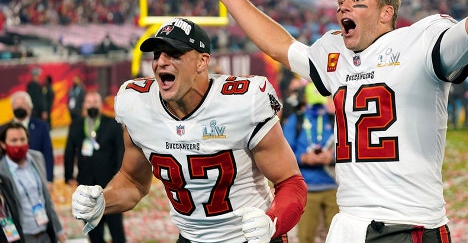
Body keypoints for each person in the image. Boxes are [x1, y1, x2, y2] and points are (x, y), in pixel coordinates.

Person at [191, 0, 468, 241]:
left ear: (386, 13)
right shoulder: (336, 55)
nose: (343, 7)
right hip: (349, 222)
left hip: (408, 223)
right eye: (341, 1)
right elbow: (280, 46)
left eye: (357, 2)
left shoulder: (422, 40)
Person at [71, 17, 307, 243]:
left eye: (174, 54)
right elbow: (133, 181)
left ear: (202, 61)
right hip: (190, 238)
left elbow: (291, 182)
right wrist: (104, 200)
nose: (161, 62)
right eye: (157, 55)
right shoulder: (137, 104)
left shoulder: (244, 102)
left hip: (252, 237)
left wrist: (271, 222)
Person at [64, 91, 126, 243]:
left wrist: (120, 175)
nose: (92, 105)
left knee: (116, 228)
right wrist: (68, 175)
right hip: (86, 185)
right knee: (94, 231)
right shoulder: (77, 125)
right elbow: (69, 150)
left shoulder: (112, 124)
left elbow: (121, 150)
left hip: (110, 184)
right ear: (84, 105)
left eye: (95, 101)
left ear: (100, 104)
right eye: (89, 102)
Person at [283, 83, 338, 243]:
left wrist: (332, 158)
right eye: (314, 104)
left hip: (333, 187)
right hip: (307, 189)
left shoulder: (333, 119)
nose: (318, 108)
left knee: (338, 237)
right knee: (306, 237)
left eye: (320, 104)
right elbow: (284, 153)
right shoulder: (296, 120)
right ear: (305, 99)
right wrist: (303, 158)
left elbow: (349, 148)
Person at [0, 122, 66, 242]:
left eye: (22, 139)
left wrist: (59, 230)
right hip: (23, 236)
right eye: (14, 140)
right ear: (3, 144)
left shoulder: (37, 158)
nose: (19, 144)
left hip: (45, 233)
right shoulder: (2, 170)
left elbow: (47, 198)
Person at [7, 91, 55, 184]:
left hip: (37, 177)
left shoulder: (41, 126)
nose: (19, 107)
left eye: (22, 104)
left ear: (30, 108)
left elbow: (48, 153)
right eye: (16, 104)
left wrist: (49, 179)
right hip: (11, 179)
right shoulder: (4, 129)